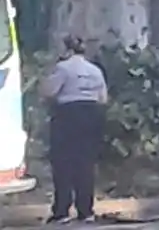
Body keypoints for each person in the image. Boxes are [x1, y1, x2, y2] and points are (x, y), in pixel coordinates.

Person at [40, 36, 108, 224]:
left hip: (68, 116)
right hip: (92, 116)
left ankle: (62, 211)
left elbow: (48, 92)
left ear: (66, 50)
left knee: (63, 164)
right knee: (86, 164)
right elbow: (103, 98)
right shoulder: (95, 70)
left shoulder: (63, 68)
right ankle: (86, 211)